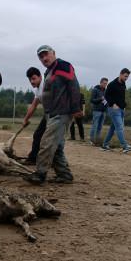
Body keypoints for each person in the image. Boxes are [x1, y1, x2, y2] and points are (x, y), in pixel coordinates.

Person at [24, 45, 82, 185]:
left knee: (47, 142)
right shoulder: (49, 71)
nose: (44, 58)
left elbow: (74, 86)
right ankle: (65, 175)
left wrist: (76, 108)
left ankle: (40, 174)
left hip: (61, 112)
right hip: (52, 113)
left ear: (53, 53)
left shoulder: (63, 66)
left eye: (46, 54)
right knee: (56, 146)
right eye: (41, 56)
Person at [101, 68, 131, 153]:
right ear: (121, 74)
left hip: (121, 109)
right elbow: (106, 96)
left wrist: (124, 106)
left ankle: (105, 144)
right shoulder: (112, 84)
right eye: (125, 76)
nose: (126, 78)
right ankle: (125, 146)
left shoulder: (123, 83)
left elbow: (122, 96)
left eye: (127, 77)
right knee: (119, 127)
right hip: (113, 109)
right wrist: (112, 104)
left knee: (113, 128)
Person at [22, 67, 46, 164]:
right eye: (30, 80)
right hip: (49, 114)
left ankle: (34, 158)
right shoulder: (38, 89)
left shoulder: (45, 85)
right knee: (38, 135)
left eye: (34, 78)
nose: (32, 81)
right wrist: (25, 119)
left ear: (40, 77)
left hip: (57, 114)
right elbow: (33, 105)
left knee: (49, 139)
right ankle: (33, 157)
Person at [89, 78, 109, 145]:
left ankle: (97, 140)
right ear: (100, 83)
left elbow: (106, 101)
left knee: (100, 126)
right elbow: (92, 100)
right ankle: (91, 140)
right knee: (95, 125)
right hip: (96, 110)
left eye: (106, 84)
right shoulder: (95, 90)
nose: (105, 85)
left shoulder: (106, 91)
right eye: (104, 83)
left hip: (104, 111)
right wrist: (100, 99)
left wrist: (107, 106)